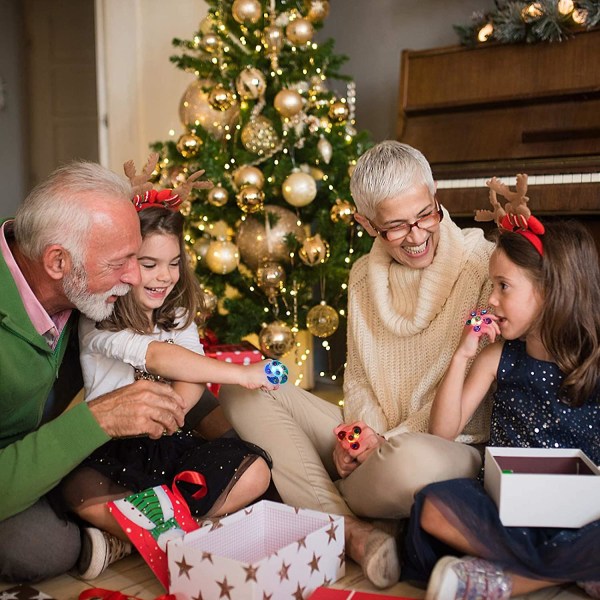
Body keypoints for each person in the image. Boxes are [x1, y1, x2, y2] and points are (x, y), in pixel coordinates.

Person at [217, 141, 495, 588]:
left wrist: (386, 442)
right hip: (374, 446)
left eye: (426, 213)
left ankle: (321, 506)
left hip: (441, 446)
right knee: (242, 390)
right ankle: (356, 531)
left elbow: (469, 400)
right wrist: (355, 438)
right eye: (397, 227)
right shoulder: (364, 275)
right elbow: (360, 376)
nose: (419, 234)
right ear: (367, 224)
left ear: (435, 194)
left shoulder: (482, 266)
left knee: (408, 463)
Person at [59, 192, 277, 579]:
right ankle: (175, 532)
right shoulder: (99, 317)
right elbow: (156, 356)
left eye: (174, 263)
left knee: (255, 470)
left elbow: (190, 374)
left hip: (167, 440)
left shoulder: (176, 313)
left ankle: (129, 539)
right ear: (124, 265)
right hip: (110, 447)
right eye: (150, 264)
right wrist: (243, 373)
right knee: (76, 489)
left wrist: (172, 412)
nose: (165, 276)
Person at [0, 161, 191, 582]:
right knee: (43, 549)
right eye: (120, 262)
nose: (135, 275)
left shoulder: (52, 252)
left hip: (50, 433)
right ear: (58, 263)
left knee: (167, 366)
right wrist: (97, 419)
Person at [401, 218, 600, 599]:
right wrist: (463, 353)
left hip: (579, 516)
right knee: (433, 504)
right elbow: (442, 431)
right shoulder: (498, 357)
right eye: (493, 285)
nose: (490, 299)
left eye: (503, 286)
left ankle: (509, 580)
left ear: (550, 289)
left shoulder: (593, 363)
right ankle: (568, 570)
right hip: (508, 512)